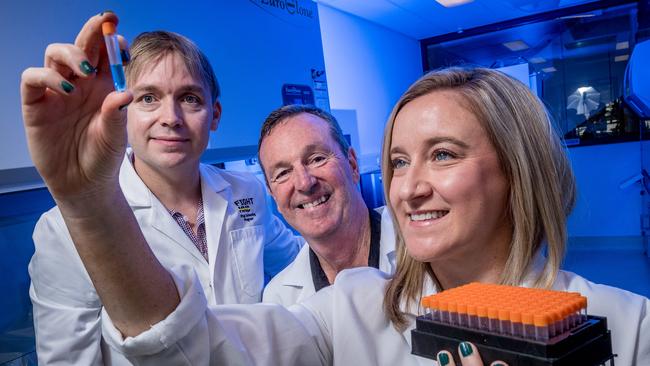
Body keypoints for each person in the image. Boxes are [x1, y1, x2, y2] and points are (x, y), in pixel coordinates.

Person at [21, 14, 649, 366]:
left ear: (520, 167)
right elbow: (193, 348)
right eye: (400, 162)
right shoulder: (351, 308)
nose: (410, 187)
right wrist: (90, 200)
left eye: (443, 155)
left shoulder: (631, 327)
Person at [25, 13, 302, 365]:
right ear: (122, 110)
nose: (171, 117)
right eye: (147, 98)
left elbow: (294, 261)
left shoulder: (246, 191)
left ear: (214, 114)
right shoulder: (67, 228)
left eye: (189, 98)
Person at [258, 105, 396, 306]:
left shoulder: (418, 246)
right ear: (273, 197)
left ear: (353, 165)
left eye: (317, 159)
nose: (305, 183)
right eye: (282, 173)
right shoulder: (279, 300)